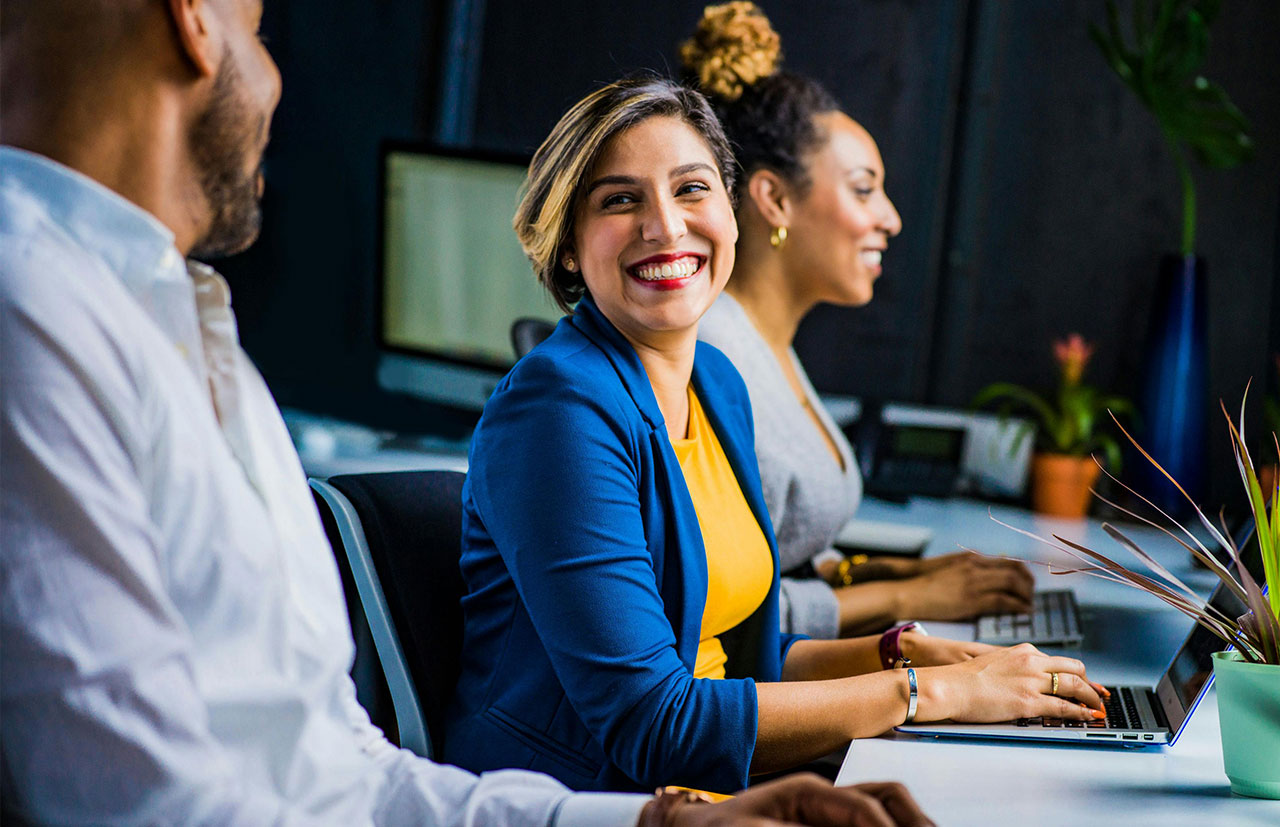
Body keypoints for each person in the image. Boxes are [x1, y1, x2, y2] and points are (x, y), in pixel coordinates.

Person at [0, 2, 935, 824]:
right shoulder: (38, 318)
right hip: (619, 775)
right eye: (259, 29)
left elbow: (340, 765)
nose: (278, 79)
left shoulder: (192, 333)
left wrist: (664, 822)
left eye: (692, 188)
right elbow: (144, 802)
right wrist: (917, 690)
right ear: (194, 19)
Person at [444, 74, 1108, 796]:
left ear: (731, 211)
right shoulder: (558, 410)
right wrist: (930, 693)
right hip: (591, 801)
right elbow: (653, 723)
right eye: (620, 200)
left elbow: (743, 662)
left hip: (716, 787)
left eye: (692, 189)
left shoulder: (717, 384)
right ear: (570, 245)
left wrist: (907, 654)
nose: (665, 225)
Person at [684, 1, 1035, 639]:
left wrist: (895, 572)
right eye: (864, 188)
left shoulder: (766, 345)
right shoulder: (711, 357)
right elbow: (717, 610)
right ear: (775, 199)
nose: (890, 219)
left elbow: (782, 554)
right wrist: (906, 597)